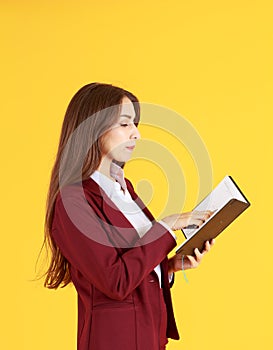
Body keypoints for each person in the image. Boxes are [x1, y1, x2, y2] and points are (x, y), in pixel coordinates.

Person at [43, 82, 215, 350]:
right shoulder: (73, 202)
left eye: (135, 124)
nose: (136, 133)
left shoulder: (124, 189)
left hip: (149, 337)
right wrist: (166, 226)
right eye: (125, 124)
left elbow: (133, 265)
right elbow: (115, 281)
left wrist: (167, 267)